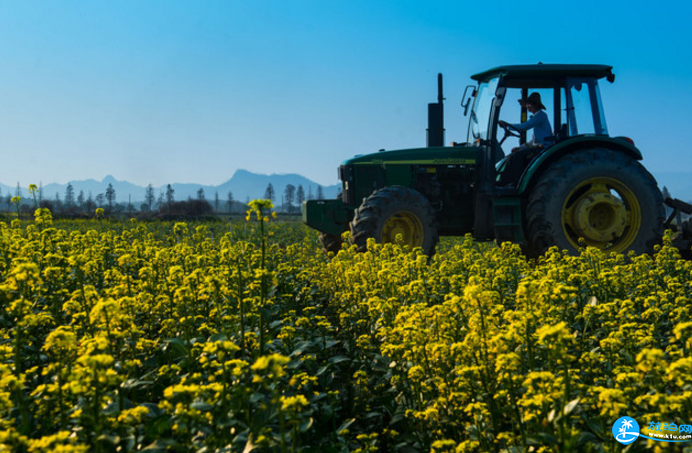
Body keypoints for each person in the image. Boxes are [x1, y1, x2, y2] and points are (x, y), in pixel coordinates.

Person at [497, 92, 552, 185]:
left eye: (529, 104)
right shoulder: (537, 117)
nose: (527, 106)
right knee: (512, 155)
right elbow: (532, 142)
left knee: (516, 157)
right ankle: (504, 182)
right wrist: (520, 147)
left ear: (535, 104)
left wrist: (507, 125)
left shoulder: (541, 115)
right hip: (537, 147)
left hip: (543, 148)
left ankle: (511, 183)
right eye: (527, 104)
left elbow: (524, 126)